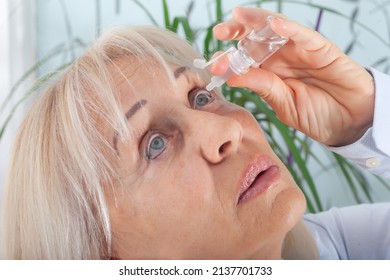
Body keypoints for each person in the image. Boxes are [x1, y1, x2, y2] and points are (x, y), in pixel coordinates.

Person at [0, 6, 388, 260]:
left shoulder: (345, 249)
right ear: (101, 253)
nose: (227, 129)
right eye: (154, 144)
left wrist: (366, 115)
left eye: (200, 97)